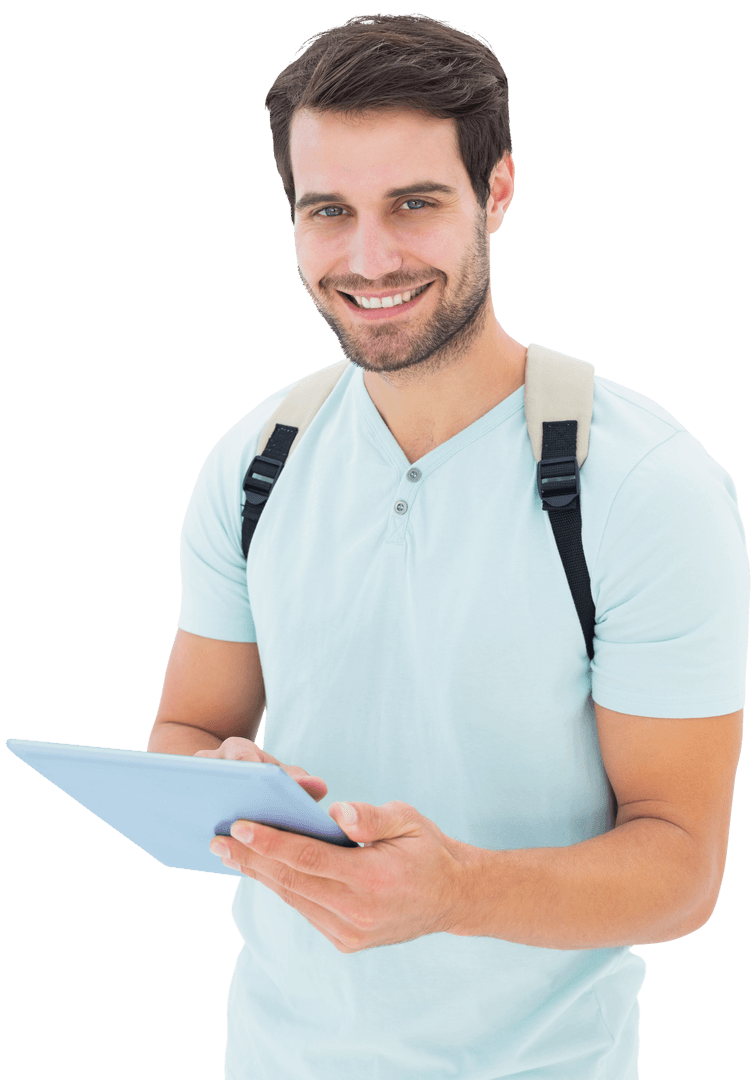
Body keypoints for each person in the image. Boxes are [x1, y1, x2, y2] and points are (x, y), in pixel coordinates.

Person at [146, 13, 749, 1080]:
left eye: (414, 203)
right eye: (328, 210)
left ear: (498, 192)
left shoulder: (644, 486)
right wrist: (227, 786)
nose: (369, 258)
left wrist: (453, 891)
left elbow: (680, 870)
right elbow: (185, 732)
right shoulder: (254, 462)